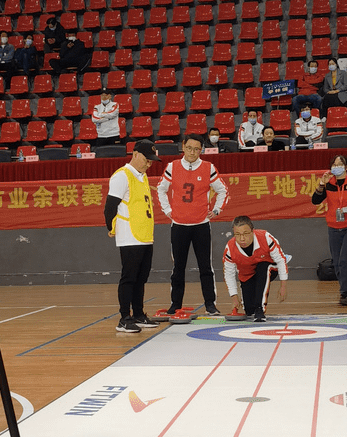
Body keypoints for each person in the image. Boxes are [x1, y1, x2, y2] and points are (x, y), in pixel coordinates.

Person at [157, 133, 228, 316]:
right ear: (183, 146)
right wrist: (167, 211)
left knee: (205, 267)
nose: (192, 152)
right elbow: (161, 189)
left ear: (201, 150)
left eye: (197, 149)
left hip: (201, 225)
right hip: (179, 225)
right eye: (189, 148)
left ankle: (210, 304)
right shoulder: (172, 167)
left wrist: (217, 210)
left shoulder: (208, 167)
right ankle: (175, 304)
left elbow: (222, 190)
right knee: (178, 267)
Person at [104, 139, 161, 333]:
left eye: (152, 161)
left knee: (141, 278)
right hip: (130, 235)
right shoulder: (122, 175)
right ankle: (124, 318)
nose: (149, 164)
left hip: (145, 234)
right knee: (129, 277)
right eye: (147, 159)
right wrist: (111, 228)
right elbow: (110, 206)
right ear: (135, 154)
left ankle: (138, 314)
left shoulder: (141, 176)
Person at [311, 153, 347, 305]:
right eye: (334, 165)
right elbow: (315, 201)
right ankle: (346, 290)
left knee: (345, 260)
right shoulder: (329, 184)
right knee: (337, 262)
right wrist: (321, 185)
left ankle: (346, 293)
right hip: (334, 227)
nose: (337, 167)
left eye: (340, 164)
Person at [223, 215, 289, 322]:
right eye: (237, 235)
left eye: (245, 234)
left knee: (263, 266)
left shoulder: (266, 237)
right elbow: (228, 274)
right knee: (249, 311)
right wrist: (234, 297)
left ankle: (260, 309)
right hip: (247, 274)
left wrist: (283, 286)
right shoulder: (230, 248)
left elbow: (281, 260)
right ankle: (254, 308)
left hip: (269, 268)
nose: (242, 239)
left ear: (252, 231)